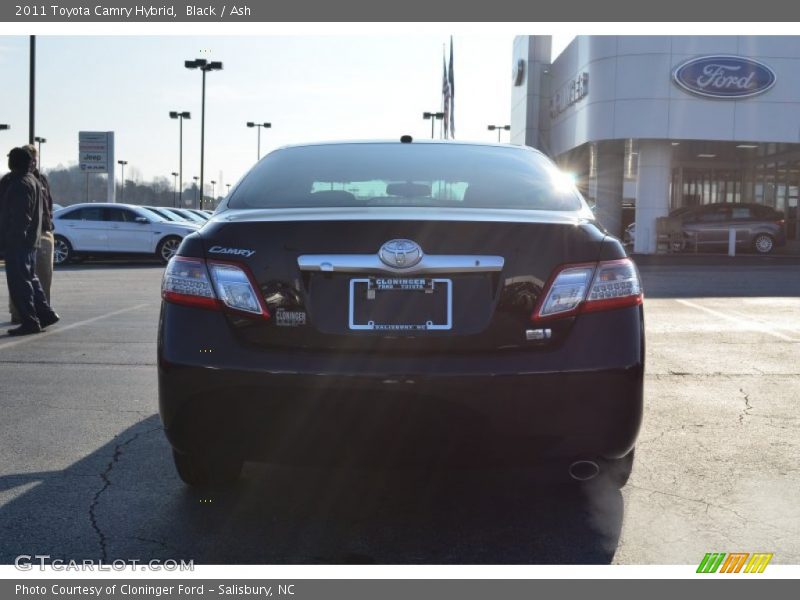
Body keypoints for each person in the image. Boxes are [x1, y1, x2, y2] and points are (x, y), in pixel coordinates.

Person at [0, 147, 59, 336]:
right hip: (30, 242)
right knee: (31, 279)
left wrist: (9, 240)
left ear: (14, 162)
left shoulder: (19, 183)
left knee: (20, 283)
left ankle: (30, 321)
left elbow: (20, 217)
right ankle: (45, 314)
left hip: (18, 242)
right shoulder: (33, 181)